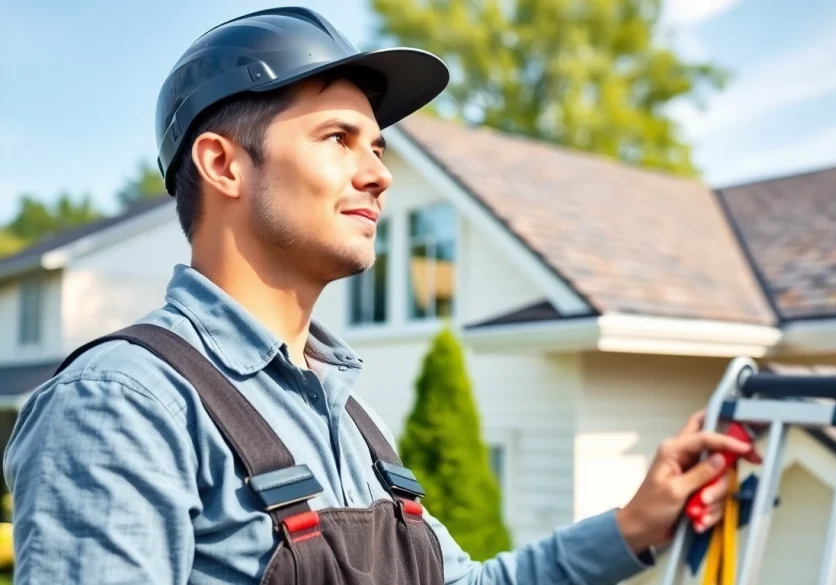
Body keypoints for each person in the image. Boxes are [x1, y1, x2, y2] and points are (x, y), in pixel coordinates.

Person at [3, 7, 760, 585]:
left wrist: (633, 525)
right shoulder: (123, 404)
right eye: (338, 139)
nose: (379, 174)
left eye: (377, 147)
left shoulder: (347, 418)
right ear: (223, 165)